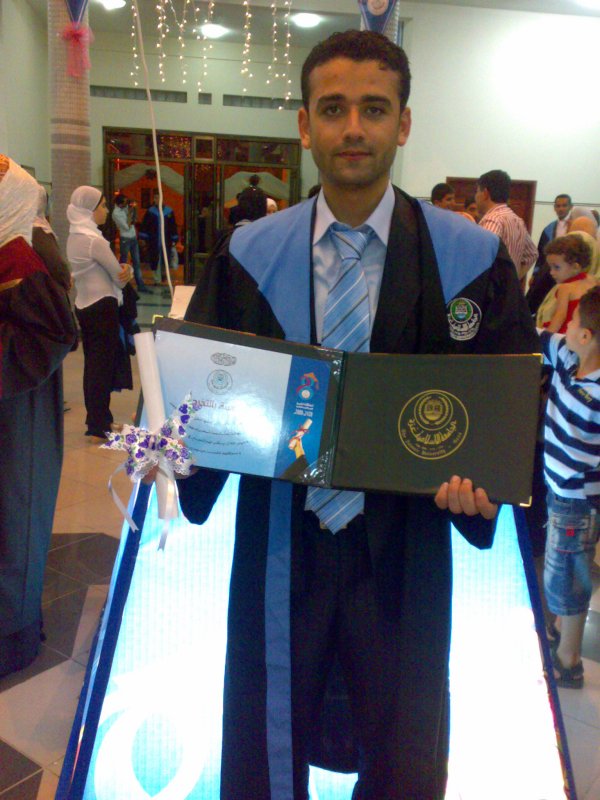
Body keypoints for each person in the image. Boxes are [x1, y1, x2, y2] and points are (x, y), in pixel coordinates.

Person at [179, 30, 538, 799]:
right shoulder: (247, 255)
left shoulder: (469, 259)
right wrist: (176, 445)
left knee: (405, 751)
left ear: (403, 124)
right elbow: (199, 403)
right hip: (282, 542)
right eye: (333, 108)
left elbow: (504, 407)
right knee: (265, 747)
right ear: (304, 124)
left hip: (405, 546)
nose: (353, 128)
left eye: (374, 109)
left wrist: (487, 487)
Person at [0, 155, 77, 678]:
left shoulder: (22, 252)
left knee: (14, 517)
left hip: (16, 412)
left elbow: (50, 334)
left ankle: (13, 635)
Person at [539, 287, 600, 688]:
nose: (568, 325)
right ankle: (560, 630)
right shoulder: (566, 355)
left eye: (574, 320)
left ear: (586, 336)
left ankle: (568, 661)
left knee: (567, 580)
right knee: (562, 570)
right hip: (558, 489)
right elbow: (534, 337)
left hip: (578, 503)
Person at [67, 186, 133, 439]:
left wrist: (121, 271)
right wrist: (127, 270)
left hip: (85, 305)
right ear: (90, 210)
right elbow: (119, 277)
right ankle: (100, 423)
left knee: (93, 366)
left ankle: (97, 419)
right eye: (103, 206)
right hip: (102, 307)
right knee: (101, 367)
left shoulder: (75, 236)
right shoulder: (94, 241)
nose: (106, 210)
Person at [475, 169, 538, 284]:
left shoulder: (492, 220)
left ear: (485, 193)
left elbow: (482, 257)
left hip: (491, 290)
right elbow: (532, 254)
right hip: (507, 290)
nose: (475, 197)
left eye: (477, 191)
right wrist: (513, 281)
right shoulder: (517, 220)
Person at [527, 194, 573, 315]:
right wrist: (535, 274)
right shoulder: (548, 229)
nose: (561, 209)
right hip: (548, 272)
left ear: (570, 207)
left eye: (564, 205)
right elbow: (540, 254)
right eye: (558, 206)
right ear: (554, 208)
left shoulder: (575, 227)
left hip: (568, 273)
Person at [541, 235, 596, 333]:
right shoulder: (593, 280)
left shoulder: (565, 288)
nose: (551, 272)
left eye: (556, 267)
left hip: (567, 333)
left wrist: (546, 336)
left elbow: (560, 316)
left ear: (575, 267)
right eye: (550, 267)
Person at [138, 188, 179, 286]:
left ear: (163, 199)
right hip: (154, 240)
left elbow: (173, 226)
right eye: (155, 198)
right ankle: (157, 280)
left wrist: (174, 238)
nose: (157, 200)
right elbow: (145, 225)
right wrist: (143, 238)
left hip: (166, 240)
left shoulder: (169, 212)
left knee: (165, 259)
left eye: (159, 197)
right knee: (155, 259)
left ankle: (163, 275)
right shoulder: (150, 212)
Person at [112, 193, 148, 293]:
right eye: (125, 203)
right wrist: (130, 213)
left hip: (133, 237)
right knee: (124, 262)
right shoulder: (116, 213)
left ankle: (141, 285)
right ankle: (122, 285)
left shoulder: (125, 208)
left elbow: (134, 220)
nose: (126, 204)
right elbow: (127, 226)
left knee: (137, 262)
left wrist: (133, 208)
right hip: (125, 239)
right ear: (119, 204)